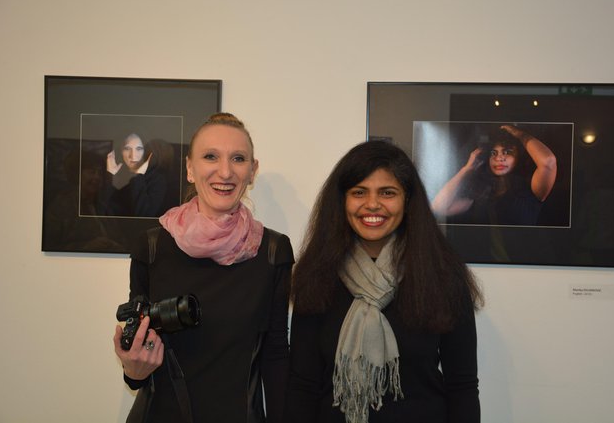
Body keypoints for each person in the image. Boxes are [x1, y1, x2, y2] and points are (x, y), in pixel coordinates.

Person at [113, 113, 294, 423]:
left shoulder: (272, 252)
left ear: (252, 171)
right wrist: (133, 369)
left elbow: (275, 355)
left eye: (238, 158)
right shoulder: (152, 246)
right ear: (190, 169)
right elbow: (139, 354)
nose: (225, 172)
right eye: (211, 156)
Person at [286, 140, 483, 423]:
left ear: (407, 200)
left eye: (388, 192)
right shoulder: (318, 274)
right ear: (342, 200)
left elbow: (461, 387)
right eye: (359, 192)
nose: (373, 204)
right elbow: (302, 385)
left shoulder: (442, 275)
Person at [431, 124, 557, 225]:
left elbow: (548, 161)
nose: (499, 158)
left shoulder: (531, 189)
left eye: (507, 152)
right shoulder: (482, 194)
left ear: (519, 158)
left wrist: (519, 134)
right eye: (493, 153)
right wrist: (467, 169)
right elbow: (438, 207)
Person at [99, 132, 169, 217]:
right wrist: (110, 175)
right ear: (120, 150)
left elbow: (143, 214)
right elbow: (100, 212)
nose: (133, 155)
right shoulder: (117, 175)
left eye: (139, 148)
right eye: (127, 148)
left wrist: (138, 176)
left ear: (147, 151)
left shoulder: (157, 179)